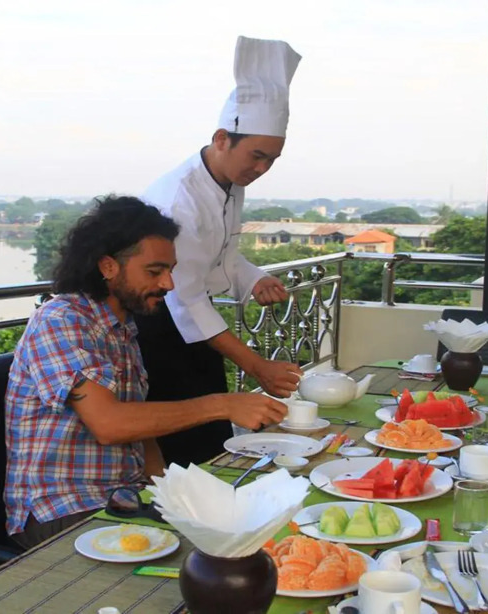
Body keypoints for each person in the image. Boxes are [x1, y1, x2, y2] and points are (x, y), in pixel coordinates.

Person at [4, 195, 288, 549]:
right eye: (154, 272)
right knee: (211, 557)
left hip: (125, 497)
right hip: (64, 508)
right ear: (108, 266)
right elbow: (110, 424)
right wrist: (223, 405)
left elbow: (141, 432)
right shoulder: (61, 321)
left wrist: (171, 495)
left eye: (170, 271)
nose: (168, 284)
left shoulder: (123, 328)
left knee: (251, 527)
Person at [137, 36, 304, 467]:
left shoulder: (229, 180)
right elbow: (186, 296)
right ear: (222, 138)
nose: (262, 169)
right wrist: (258, 366)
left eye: (272, 160)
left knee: (213, 435)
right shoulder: (181, 198)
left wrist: (254, 278)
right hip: (157, 324)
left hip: (193, 323)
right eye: (257, 156)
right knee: (184, 445)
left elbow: (218, 252)